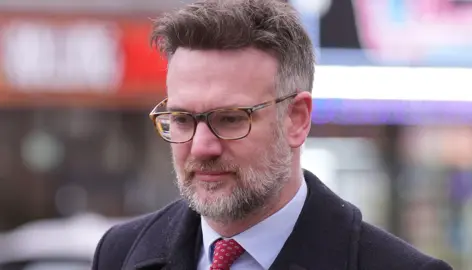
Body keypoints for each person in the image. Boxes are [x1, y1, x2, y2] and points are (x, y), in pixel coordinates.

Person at [92, 0, 453, 269]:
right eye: (183, 119)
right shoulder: (119, 253)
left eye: (231, 119)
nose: (201, 146)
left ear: (296, 119)